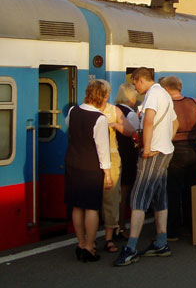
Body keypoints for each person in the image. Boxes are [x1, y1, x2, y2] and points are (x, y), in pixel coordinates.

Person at [114, 67, 178, 267]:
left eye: (135, 83)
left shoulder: (152, 95)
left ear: (140, 80)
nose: (135, 88)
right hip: (165, 150)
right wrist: (167, 141)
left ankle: (131, 248)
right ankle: (161, 242)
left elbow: (148, 121)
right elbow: (175, 123)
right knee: (160, 198)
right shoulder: (165, 95)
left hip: (153, 153)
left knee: (138, 198)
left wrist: (148, 148)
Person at [65, 80, 113, 262]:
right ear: (103, 96)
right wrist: (107, 173)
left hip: (72, 163)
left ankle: (80, 243)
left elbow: (70, 127)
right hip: (91, 167)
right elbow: (102, 148)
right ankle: (89, 247)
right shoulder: (100, 118)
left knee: (77, 205)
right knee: (92, 208)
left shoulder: (73, 111)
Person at [160, 76, 196, 241]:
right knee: (193, 190)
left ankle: (173, 230)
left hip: (175, 149)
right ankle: (194, 226)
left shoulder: (167, 105)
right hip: (195, 148)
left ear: (166, 88)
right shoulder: (195, 102)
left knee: (172, 191)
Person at [99, 80, 131, 254]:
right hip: (98, 158)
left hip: (110, 158)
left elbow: (129, 129)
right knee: (104, 198)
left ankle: (108, 237)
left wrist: (115, 125)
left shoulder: (114, 110)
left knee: (110, 198)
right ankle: (95, 239)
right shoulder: (84, 110)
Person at [114, 83, 140, 241]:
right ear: (131, 98)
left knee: (117, 194)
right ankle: (121, 226)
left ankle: (115, 224)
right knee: (124, 194)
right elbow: (137, 136)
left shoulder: (112, 110)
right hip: (128, 156)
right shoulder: (130, 114)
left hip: (116, 154)